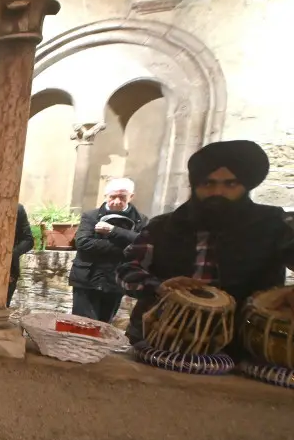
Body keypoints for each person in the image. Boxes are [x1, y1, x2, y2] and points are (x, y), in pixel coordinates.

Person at [118, 141, 294, 346]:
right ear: (196, 185)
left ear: (245, 186)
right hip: (157, 338)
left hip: (240, 345)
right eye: (208, 183)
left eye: (230, 184)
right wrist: (158, 287)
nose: (218, 192)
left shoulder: (274, 223)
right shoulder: (162, 225)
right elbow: (126, 271)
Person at [69, 179, 148, 322]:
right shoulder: (91, 216)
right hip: (87, 277)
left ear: (131, 196)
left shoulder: (140, 220)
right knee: (80, 324)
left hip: (115, 281)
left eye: (122, 197)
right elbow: (83, 243)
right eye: (112, 197)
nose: (117, 201)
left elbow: (143, 243)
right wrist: (125, 247)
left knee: (103, 325)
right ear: (106, 196)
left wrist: (113, 231)